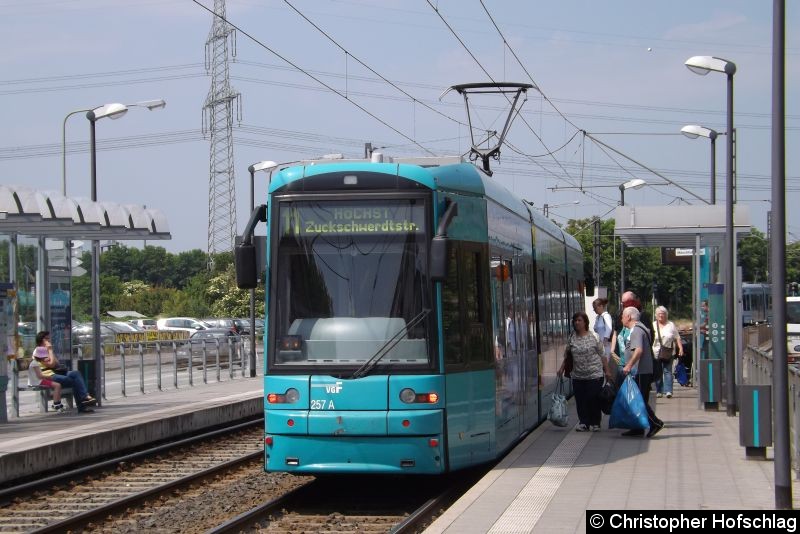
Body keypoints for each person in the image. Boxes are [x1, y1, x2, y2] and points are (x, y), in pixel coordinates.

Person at [558, 311, 613, 432]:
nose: (577, 323)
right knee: (581, 400)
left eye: (579, 320)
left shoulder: (594, 336)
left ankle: (595, 422)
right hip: (578, 375)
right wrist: (562, 368)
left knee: (593, 398)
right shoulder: (572, 337)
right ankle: (583, 422)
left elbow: (602, 354)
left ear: (585, 322)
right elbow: (567, 355)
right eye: (575, 321)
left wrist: (607, 371)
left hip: (594, 374)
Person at [620, 307, 664, 438]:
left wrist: (628, 365)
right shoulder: (640, 328)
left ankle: (655, 423)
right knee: (639, 400)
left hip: (640, 371)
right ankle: (637, 428)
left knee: (639, 401)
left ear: (628, 317)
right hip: (642, 370)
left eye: (623, 316)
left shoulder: (637, 331)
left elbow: (638, 350)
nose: (621, 318)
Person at [34, 331, 97, 413]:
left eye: (49, 338)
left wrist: (50, 351)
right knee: (74, 381)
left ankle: (84, 396)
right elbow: (52, 365)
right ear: (41, 340)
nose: (49, 340)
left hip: (55, 372)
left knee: (76, 373)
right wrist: (50, 350)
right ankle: (83, 403)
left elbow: (56, 363)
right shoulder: (39, 350)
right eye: (46, 339)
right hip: (47, 375)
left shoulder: (45, 350)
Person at [652, 306, 684, 398]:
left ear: (666, 315)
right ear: (656, 316)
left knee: (667, 371)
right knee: (658, 372)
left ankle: (668, 391)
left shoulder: (671, 325)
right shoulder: (653, 325)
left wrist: (681, 348)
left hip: (668, 351)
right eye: (659, 315)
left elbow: (677, 337)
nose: (661, 316)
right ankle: (659, 390)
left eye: (663, 315)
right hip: (656, 351)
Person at [28, 347, 66, 413]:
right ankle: (56, 403)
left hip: (37, 380)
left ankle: (57, 402)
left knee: (57, 384)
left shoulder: (35, 362)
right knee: (57, 385)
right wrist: (49, 377)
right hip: (37, 382)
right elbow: (40, 376)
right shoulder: (35, 364)